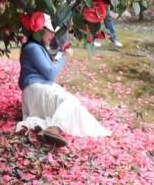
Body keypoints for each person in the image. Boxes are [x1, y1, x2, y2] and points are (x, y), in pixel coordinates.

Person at [16, 13, 111, 146]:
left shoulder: (37, 48)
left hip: (38, 89)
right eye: (51, 32)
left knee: (75, 106)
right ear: (41, 31)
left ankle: (51, 127)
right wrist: (65, 57)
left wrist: (58, 58)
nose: (53, 36)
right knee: (69, 101)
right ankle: (54, 128)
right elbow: (50, 73)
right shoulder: (33, 48)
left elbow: (47, 69)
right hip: (35, 89)